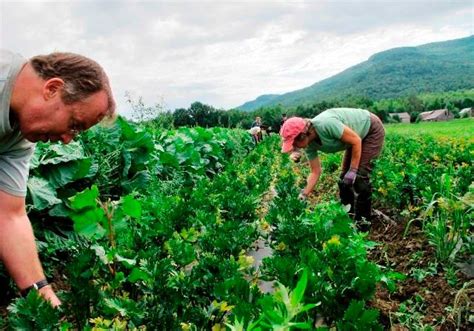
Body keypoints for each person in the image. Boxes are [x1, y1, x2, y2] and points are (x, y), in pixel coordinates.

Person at [0, 49, 116, 307]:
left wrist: (44, 297)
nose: (66, 139)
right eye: (74, 124)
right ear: (52, 88)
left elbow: (9, 215)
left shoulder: (19, 138)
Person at [280, 108, 385, 229]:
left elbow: (356, 140)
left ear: (303, 136)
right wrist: (304, 194)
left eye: (294, 143)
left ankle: (363, 226)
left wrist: (353, 170)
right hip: (355, 137)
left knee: (360, 178)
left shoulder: (326, 125)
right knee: (343, 181)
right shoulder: (309, 145)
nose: (294, 147)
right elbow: (315, 172)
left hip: (370, 129)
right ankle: (347, 218)